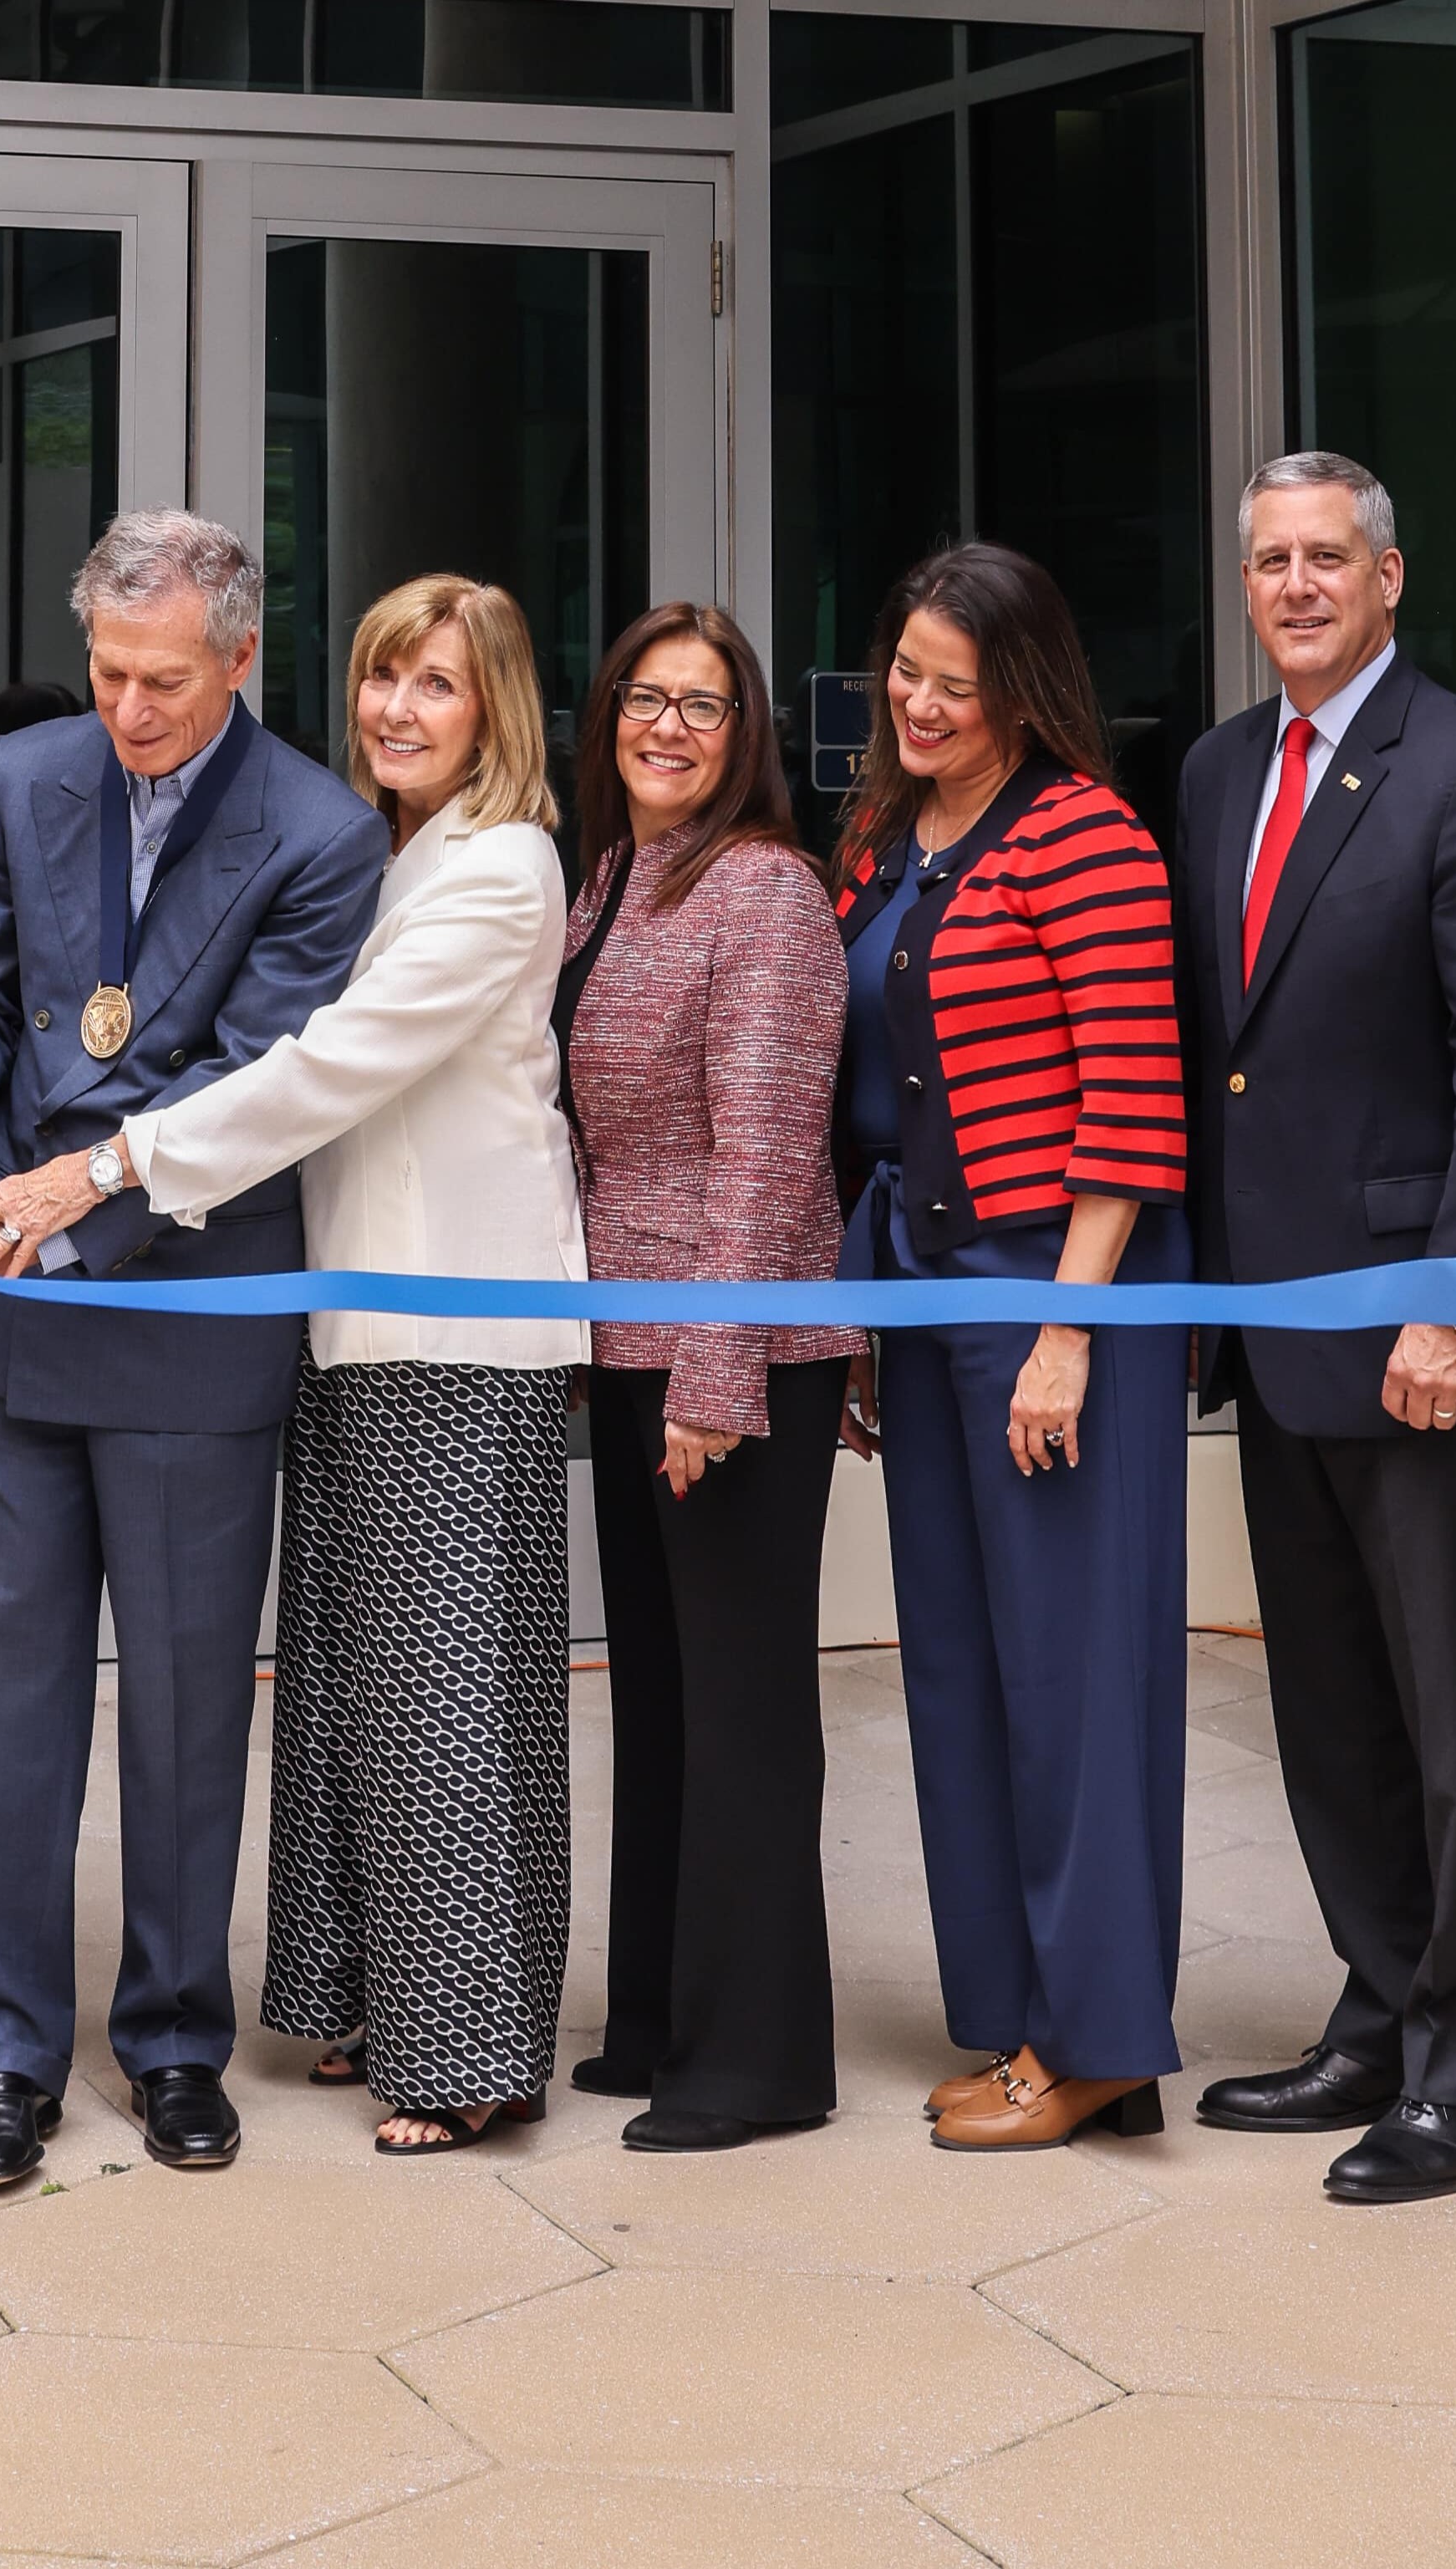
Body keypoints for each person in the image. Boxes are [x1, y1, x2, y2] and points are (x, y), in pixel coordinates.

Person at [0, 572, 588, 2156]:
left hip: (432, 1318)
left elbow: (309, 1067)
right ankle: (29, 2054)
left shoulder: (468, 860)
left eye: (439, 687)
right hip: (335, 1327)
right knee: (360, 1694)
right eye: (382, 678)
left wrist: (83, 1179)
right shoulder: (405, 842)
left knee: (435, 1698)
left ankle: (426, 2042)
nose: (398, 711)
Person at [0, 509, 387, 2192]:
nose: (131, 709)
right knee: (5, 1706)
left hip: (181, 1318)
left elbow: (239, 1098)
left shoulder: (318, 832)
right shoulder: (26, 779)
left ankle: (171, 2039)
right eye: (106, 672)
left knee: (178, 1715)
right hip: (7, 1336)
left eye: (163, 681)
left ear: (239, 660)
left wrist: (52, 1220)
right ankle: (5, 2051)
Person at [1172, 455, 1456, 2205]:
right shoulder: (1210, 771)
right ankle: (1380, 2002)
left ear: (1388, 576)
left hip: (1429, 1338)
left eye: (1323, 557)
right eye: (1266, 558)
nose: (1292, 585)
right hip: (1277, 1330)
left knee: (1455, 1709)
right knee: (1331, 1701)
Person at [830, 543, 1194, 2155]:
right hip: (925, 1296)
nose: (915, 701)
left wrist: (1070, 1330)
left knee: (1073, 1680)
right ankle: (1017, 2012)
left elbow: (1129, 1107)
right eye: (902, 671)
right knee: (963, 1675)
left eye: (949, 682)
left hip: (1056, 1298)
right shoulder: (890, 840)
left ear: (1021, 692)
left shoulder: (1090, 838)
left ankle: (1102, 2036)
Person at [554, 602, 859, 2154]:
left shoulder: (767, 893)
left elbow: (765, 1160)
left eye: (706, 707)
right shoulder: (615, 874)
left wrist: (715, 1374)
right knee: (663, 1698)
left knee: (739, 1704)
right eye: (645, 700)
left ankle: (757, 2060)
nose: (669, 729)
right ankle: (664, 2015)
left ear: (747, 742)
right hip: (626, 1343)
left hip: (727, 1359)